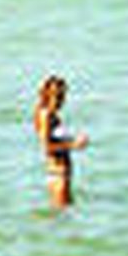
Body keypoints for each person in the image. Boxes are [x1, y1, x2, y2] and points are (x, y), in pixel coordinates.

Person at [34, 75, 88, 209]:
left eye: (62, 96)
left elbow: (55, 140)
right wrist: (74, 145)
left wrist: (71, 140)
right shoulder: (46, 115)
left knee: (62, 219)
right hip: (58, 173)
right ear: (47, 94)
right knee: (63, 213)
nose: (61, 101)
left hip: (59, 173)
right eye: (57, 96)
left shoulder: (50, 114)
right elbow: (47, 147)